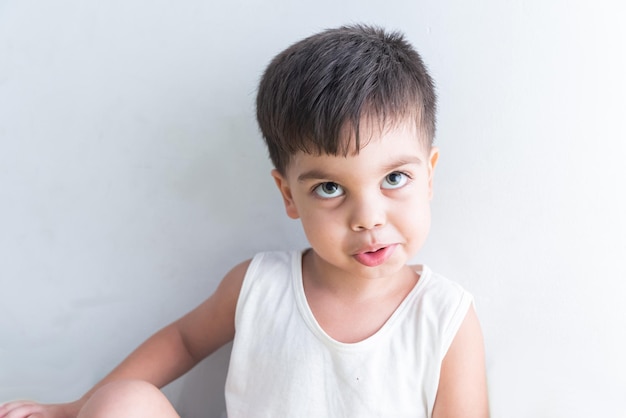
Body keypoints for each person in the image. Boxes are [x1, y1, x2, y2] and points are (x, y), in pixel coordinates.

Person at [0, 24, 489, 418]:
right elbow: (183, 340)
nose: (368, 218)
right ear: (288, 195)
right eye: (330, 188)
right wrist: (76, 408)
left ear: (428, 176)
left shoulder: (444, 317)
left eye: (394, 178)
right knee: (121, 403)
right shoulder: (260, 286)